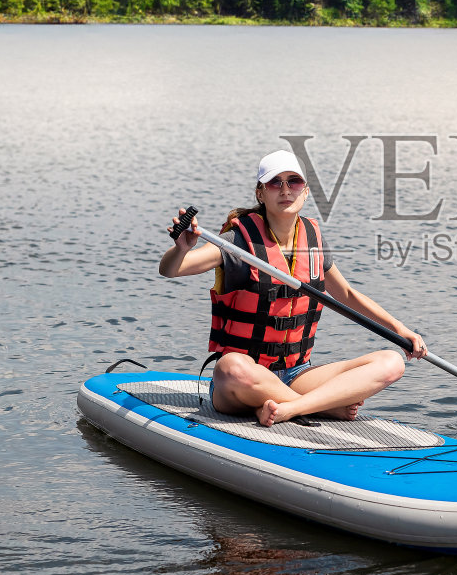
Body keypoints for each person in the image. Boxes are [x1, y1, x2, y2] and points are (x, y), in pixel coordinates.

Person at [160, 149, 426, 428]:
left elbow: (346, 295)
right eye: (275, 183)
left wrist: (400, 330)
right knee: (230, 367)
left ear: (306, 191)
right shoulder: (237, 241)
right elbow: (171, 269)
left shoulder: (313, 240)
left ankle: (293, 407)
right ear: (261, 194)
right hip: (246, 380)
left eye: (294, 182)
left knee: (392, 362)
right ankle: (323, 407)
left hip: (297, 374)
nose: (285, 190)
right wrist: (181, 249)